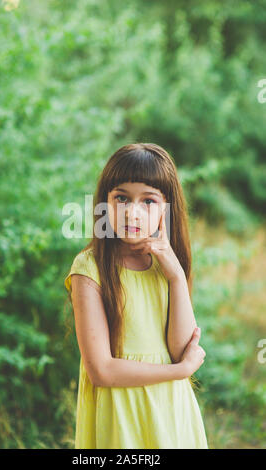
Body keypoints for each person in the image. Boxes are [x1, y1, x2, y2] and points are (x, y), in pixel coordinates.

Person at [64, 143, 208, 449]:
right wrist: (180, 371)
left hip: (171, 411)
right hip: (120, 416)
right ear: (104, 203)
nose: (132, 211)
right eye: (121, 198)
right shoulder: (89, 268)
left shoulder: (167, 267)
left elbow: (182, 348)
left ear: (167, 210)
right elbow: (101, 370)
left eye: (149, 201)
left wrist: (176, 277)